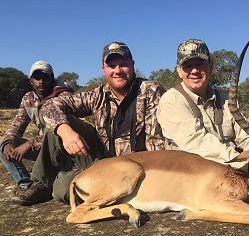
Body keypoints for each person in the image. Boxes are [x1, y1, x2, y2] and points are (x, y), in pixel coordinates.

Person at [13, 41, 165, 206]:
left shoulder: (150, 91)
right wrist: (65, 132)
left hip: (135, 169)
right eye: (111, 66)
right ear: (104, 69)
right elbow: (49, 106)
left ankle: (71, 181)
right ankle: (41, 183)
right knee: (57, 128)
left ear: (133, 65)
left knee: (61, 189)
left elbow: (156, 144)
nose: (117, 71)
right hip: (102, 163)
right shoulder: (97, 95)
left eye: (123, 64)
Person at [157, 38, 249, 183]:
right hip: (191, 177)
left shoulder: (226, 98)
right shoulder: (171, 100)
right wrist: (246, 164)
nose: (194, 71)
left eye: (200, 64)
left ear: (211, 66)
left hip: (229, 171)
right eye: (188, 66)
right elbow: (197, 143)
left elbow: (246, 136)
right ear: (179, 71)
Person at [0, 61, 70, 201]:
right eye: (37, 77)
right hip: (42, 147)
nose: (41, 81)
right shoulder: (28, 98)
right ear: (31, 80)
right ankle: (28, 185)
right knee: (3, 146)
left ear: (52, 78)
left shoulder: (63, 96)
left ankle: (43, 185)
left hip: (63, 148)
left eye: (45, 77)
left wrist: (29, 143)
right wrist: (8, 141)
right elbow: (17, 125)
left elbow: (59, 132)